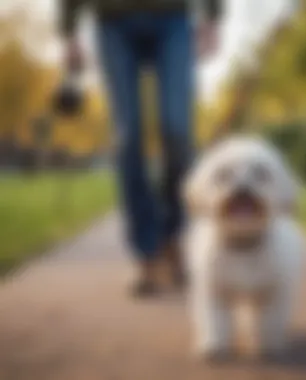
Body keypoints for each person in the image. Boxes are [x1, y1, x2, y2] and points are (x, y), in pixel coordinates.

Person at [60, 0, 223, 296]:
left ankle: (173, 237)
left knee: (177, 130)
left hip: (173, 17)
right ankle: (147, 253)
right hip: (113, 22)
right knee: (127, 138)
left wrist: (213, 16)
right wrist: (68, 32)